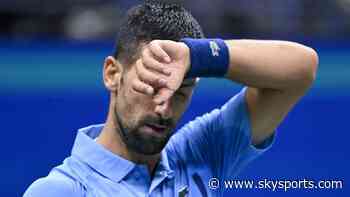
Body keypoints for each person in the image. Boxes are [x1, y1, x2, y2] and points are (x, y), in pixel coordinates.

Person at [23, 0, 318, 196]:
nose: (163, 107)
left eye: (180, 92)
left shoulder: (199, 152)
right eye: (151, 85)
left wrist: (198, 56)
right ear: (113, 74)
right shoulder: (61, 190)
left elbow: (301, 69)